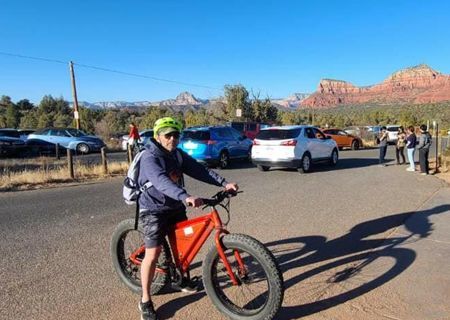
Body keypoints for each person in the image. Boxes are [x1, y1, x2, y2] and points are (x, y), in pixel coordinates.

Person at [137, 117, 238, 320]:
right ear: (157, 137)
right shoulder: (149, 157)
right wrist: (186, 196)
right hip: (153, 209)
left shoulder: (177, 155)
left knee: (182, 246)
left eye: (176, 135)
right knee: (153, 253)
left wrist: (223, 183)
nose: (173, 139)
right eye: (168, 135)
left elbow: (199, 170)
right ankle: (145, 300)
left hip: (174, 205)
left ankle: (182, 280)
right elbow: (161, 181)